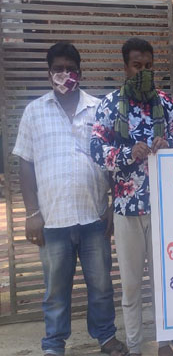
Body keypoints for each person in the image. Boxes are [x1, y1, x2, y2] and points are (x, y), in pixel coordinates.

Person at [13, 42, 127, 356]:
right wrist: (32, 213)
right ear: (49, 73)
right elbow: (25, 163)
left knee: (101, 285)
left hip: (93, 216)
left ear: (80, 72)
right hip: (53, 219)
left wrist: (112, 205)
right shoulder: (34, 111)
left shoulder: (99, 109)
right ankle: (53, 345)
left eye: (70, 69)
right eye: (58, 69)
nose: (65, 74)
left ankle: (106, 337)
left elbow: (112, 159)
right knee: (55, 290)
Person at [90, 37, 173, 356]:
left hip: (161, 209)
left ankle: (164, 344)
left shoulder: (164, 102)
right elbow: (96, 150)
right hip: (126, 209)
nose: (143, 71)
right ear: (125, 67)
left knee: (161, 282)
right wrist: (127, 153)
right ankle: (134, 347)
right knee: (131, 285)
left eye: (148, 66)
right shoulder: (110, 104)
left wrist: (168, 146)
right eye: (136, 65)